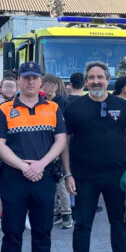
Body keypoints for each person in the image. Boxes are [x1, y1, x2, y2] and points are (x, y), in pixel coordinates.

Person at [62, 62, 126, 252]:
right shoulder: (74, 106)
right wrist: (67, 174)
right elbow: (64, 143)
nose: (96, 81)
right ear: (86, 81)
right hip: (84, 177)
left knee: (119, 223)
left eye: (100, 77)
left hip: (117, 177)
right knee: (82, 225)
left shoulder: (122, 105)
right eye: (91, 77)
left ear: (108, 80)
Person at [0, 62, 68, 252]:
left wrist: (41, 165)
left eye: (35, 78)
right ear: (19, 80)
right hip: (14, 178)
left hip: (43, 177)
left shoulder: (53, 108)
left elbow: (60, 141)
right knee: (12, 234)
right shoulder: (4, 110)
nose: (30, 82)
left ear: (41, 81)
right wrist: (24, 167)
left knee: (43, 232)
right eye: (26, 78)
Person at [41, 74, 73, 229]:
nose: (44, 87)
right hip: (45, 146)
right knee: (50, 179)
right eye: (43, 84)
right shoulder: (41, 101)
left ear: (54, 86)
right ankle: (55, 211)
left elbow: (66, 127)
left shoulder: (62, 102)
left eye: (47, 84)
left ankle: (67, 213)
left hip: (59, 145)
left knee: (59, 179)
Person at [0, 74, 18, 233]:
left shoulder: (21, 106)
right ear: (1, 88)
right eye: (6, 86)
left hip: (16, 151)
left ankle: (21, 216)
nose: (9, 89)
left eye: (12, 87)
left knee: (19, 185)